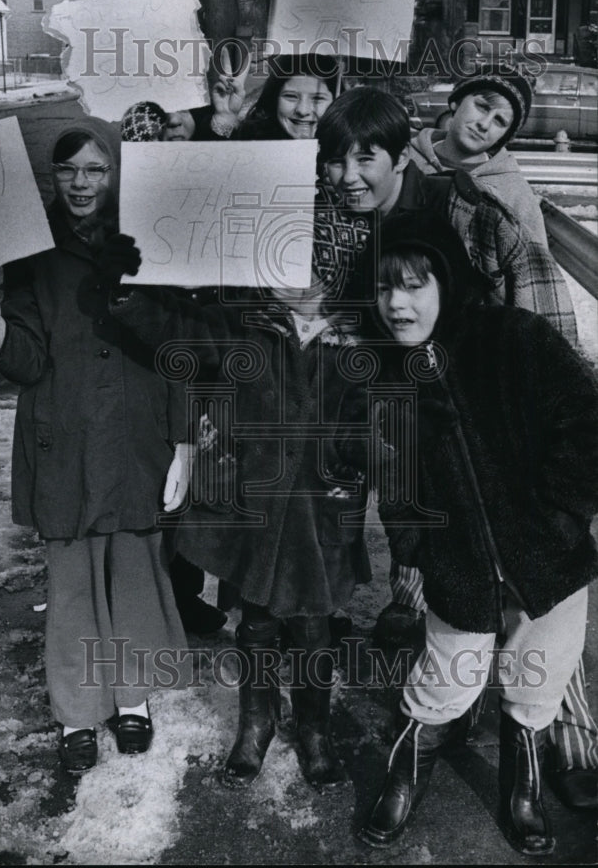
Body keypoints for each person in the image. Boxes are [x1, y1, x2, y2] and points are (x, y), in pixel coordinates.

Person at [315, 86, 598, 811]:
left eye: (364, 157)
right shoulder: (343, 234)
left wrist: (560, 502)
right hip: (438, 471)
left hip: (517, 461)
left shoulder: (468, 210)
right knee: (453, 637)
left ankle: (557, 749)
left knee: (540, 638)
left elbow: (553, 363)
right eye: (334, 159)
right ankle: (435, 734)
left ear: (392, 154)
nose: (348, 174)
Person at [349, 209, 598, 855]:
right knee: (444, 682)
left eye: (413, 284)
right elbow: (393, 485)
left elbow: (585, 424)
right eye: (383, 288)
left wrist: (562, 515)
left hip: (548, 556)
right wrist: (415, 549)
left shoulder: (512, 338)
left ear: (446, 283)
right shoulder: (383, 380)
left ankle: (523, 787)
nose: (397, 303)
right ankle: (403, 779)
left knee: (535, 682)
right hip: (457, 563)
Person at [0, 120, 188, 775]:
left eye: (95, 170)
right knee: (74, 580)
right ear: (53, 178)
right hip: (65, 437)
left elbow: (178, 347)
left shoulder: (149, 238)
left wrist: (186, 442)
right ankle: (78, 710)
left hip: (139, 436)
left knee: (134, 571)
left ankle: (131, 698)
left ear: (113, 176)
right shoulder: (31, 248)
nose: (81, 183)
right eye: (68, 170)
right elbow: (25, 360)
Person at [97, 231, 371, 793]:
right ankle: (256, 722)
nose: (291, 279)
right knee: (258, 621)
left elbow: (377, 420)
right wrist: (125, 292)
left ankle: (315, 727)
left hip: (324, 508)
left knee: (314, 625)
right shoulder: (246, 326)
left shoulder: (358, 340)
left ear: (332, 271)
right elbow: (179, 333)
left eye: (308, 266)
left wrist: (359, 462)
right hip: (259, 507)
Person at [409, 65, 547, 245]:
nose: (484, 124)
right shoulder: (405, 159)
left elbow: (536, 268)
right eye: (482, 107)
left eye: (499, 121)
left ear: (504, 136)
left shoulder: (514, 194)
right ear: (456, 102)